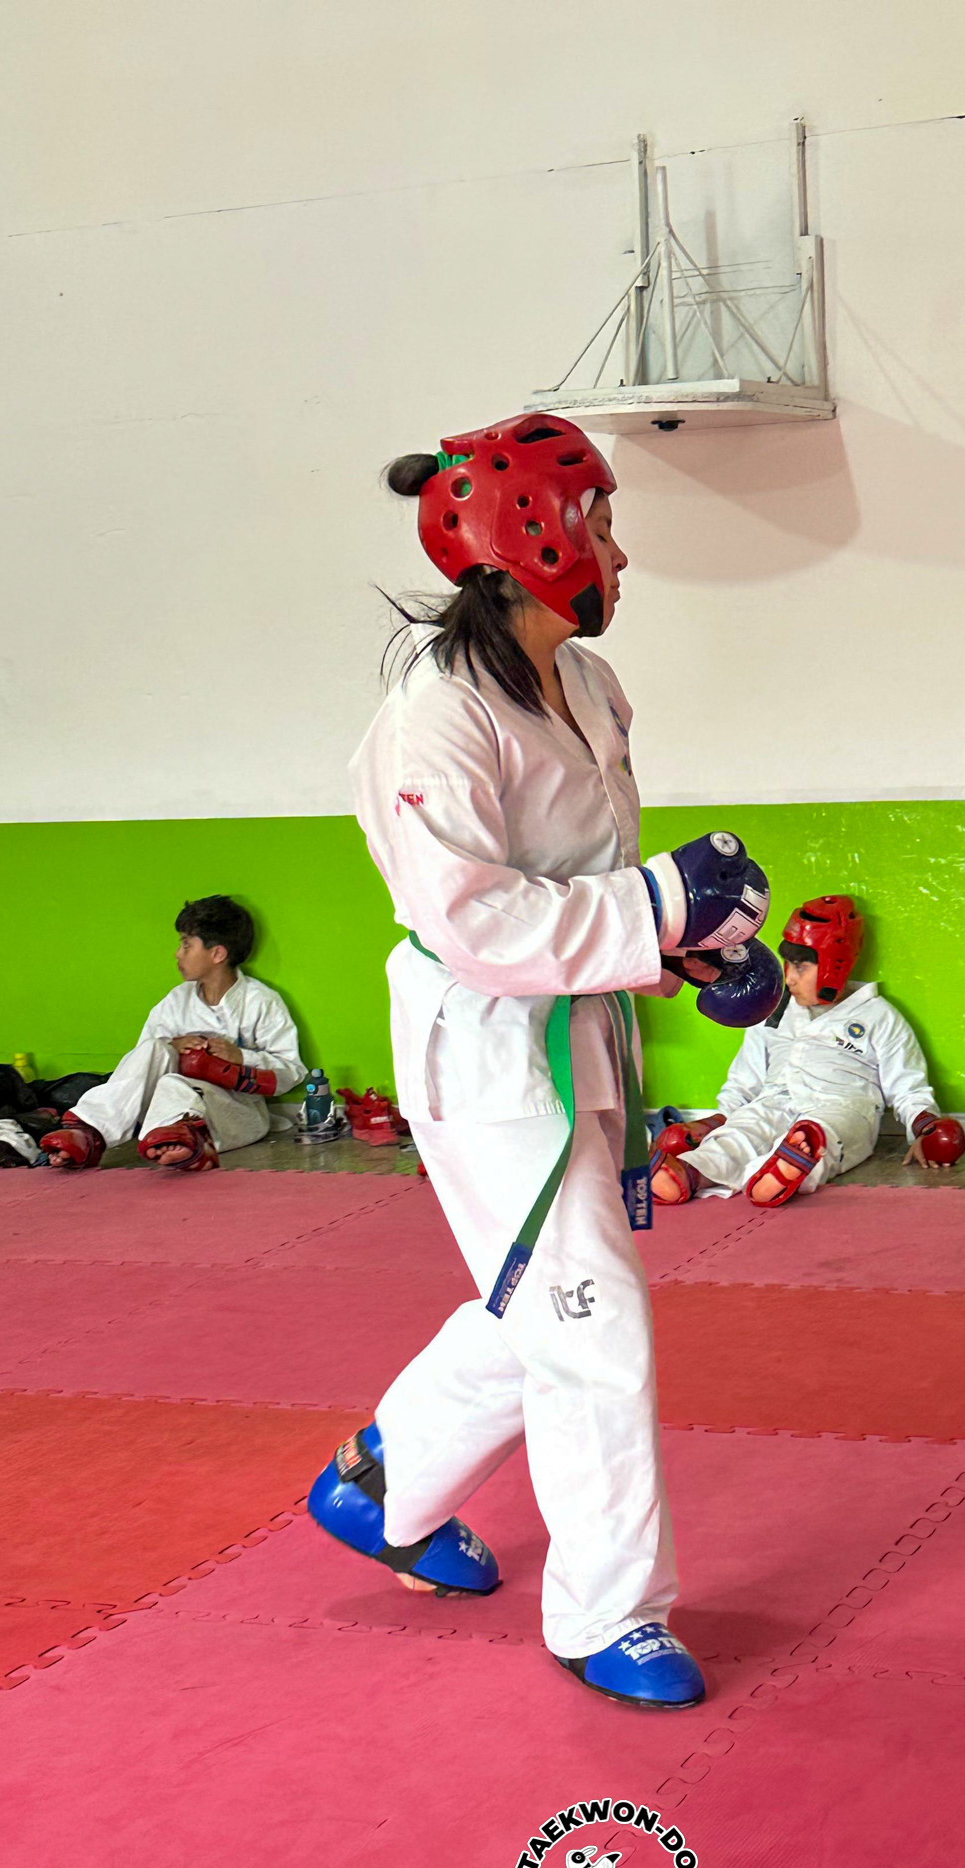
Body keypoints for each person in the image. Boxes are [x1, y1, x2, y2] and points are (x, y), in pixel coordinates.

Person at [306, 412, 781, 1710]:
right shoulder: (435, 716)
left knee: (545, 1297)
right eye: (603, 528)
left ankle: (384, 1482)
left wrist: (687, 947)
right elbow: (476, 920)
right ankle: (606, 1614)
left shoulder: (589, 684)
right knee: (592, 1321)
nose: (620, 555)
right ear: (536, 542)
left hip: (578, 1028)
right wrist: (659, 909)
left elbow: (581, 878)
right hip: (485, 1046)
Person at [651, 894, 965, 1206]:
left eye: (800, 968)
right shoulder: (772, 1007)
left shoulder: (878, 1015)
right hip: (774, 1100)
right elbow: (745, 1077)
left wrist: (924, 1126)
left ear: (834, 966)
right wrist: (721, 1119)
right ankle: (693, 1172)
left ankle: (784, 1169)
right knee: (743, 1131)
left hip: (843, 1106)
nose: (788, 978)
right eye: (787, 965)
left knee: (821, 1137)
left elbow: (907, 1086)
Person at [39, 896, 305, 1171]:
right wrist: (171, 1045)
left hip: (236, 1113)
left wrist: (240, 1057)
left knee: (173, 1085)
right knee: (154, 1049)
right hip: (164, 1112)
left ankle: (189, 1138)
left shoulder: (260, 1001)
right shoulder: (177, 1000)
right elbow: (139, 1063)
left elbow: (292, 1070)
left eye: (186, 945)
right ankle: (89, 1132)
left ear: (217, 954)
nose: (178, 954)